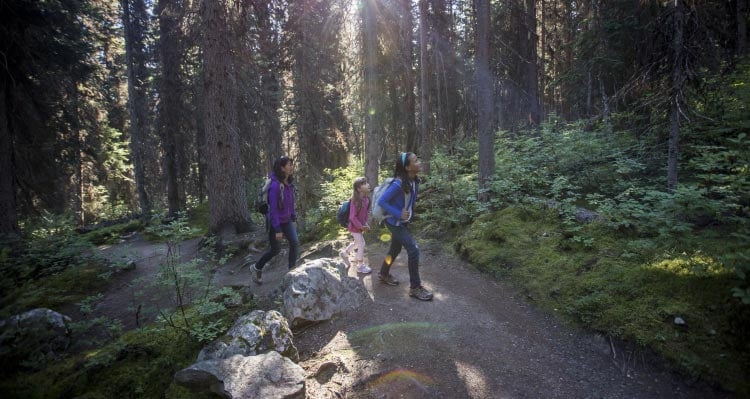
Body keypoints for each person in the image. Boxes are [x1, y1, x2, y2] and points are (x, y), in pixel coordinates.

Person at [376, 152, 433, 301]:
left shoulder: (414, 180)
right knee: (413, 250)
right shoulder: (397, 184)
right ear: (408, 167)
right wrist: (398, 213)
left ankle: (383, 273)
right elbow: (382, 201)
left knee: (395, 248)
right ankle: (415, 287)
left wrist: (407, 217)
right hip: (394, 222)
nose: (419, 162)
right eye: (415, 161)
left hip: (402, 222)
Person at [253, 156, 299, 284]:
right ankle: (257, 267)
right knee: (275, 250)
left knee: (294, 242)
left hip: (287, 220)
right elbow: (273, 210)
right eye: (288, 165)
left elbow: (291, 203)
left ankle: (291, 271)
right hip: (275, 222)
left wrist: (293, 217)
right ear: (282, 168)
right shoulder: (274, 186)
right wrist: (277, 229)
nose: (291, 167)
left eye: (291, 164)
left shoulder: (289, 183)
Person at [340, 177, 372, 274]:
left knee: (357, 243)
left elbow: (365, 215)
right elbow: (352, 217)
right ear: (359, 189)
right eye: (365, 183)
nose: (368, 185)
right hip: (354, 227)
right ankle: (360, 266)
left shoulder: (366, 199)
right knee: (361, 244)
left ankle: (344, 253)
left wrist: (365, 224)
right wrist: (361, 226)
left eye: (367, 183)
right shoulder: (355, 201)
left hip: (359, 226)